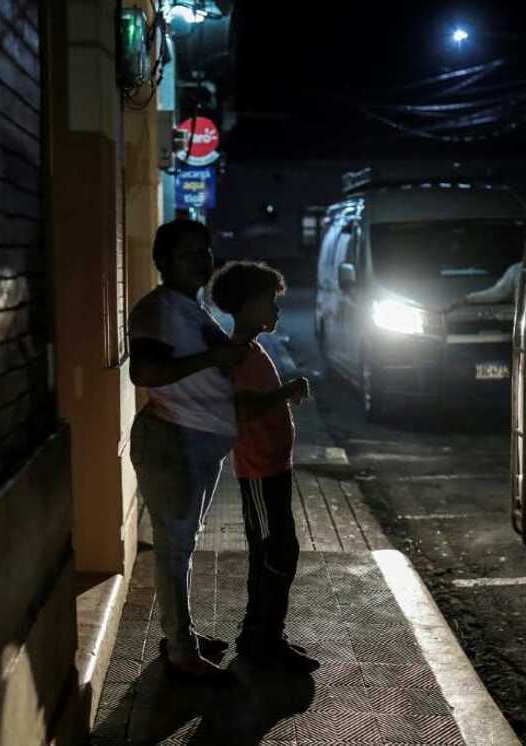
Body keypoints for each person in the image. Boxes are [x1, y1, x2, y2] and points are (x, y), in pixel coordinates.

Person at [128, 219, 246, 681]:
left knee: (184, 544)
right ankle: (180, 649)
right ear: (161, 261)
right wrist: (213, 358)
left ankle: (182, 637)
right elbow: (146, 372)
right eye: (189, 253)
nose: (202, 261)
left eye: (206, 251)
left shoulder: (190, 308)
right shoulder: (158, 310)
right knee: (174, 549)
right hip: (172, 441)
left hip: (195, 443)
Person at [208, 261, 319, 673]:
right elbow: (238, 408)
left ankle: (264, 634)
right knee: (275, 552)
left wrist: (283, 394)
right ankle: (261, 639)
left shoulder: (252, 349)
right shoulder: (237, 352)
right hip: (257, 471)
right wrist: (284, 392)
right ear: (249, 305)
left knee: (277, 551)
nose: (276, 311)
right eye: (270, 302)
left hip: (273, 468)